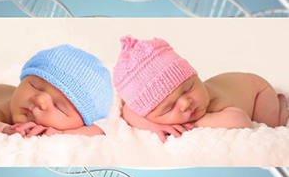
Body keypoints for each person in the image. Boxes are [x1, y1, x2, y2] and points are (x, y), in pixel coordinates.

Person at [113, 35, 288, 142]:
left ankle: (280, 108)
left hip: (258, 91)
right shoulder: (145, 110)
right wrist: (153, 126)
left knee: (269, 126)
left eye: (188, 88)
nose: (186, 103)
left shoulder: (214, 102)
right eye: (169, 107)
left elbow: (240, 121)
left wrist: (195, 123)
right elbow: (127, 110)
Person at [0, 44, 113, 137]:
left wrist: (61, 133)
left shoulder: (76, 124)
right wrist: (2, 129)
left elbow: (98, 132)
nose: (39, 100)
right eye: (34, 86)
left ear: (80, 122)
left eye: (58, 106)